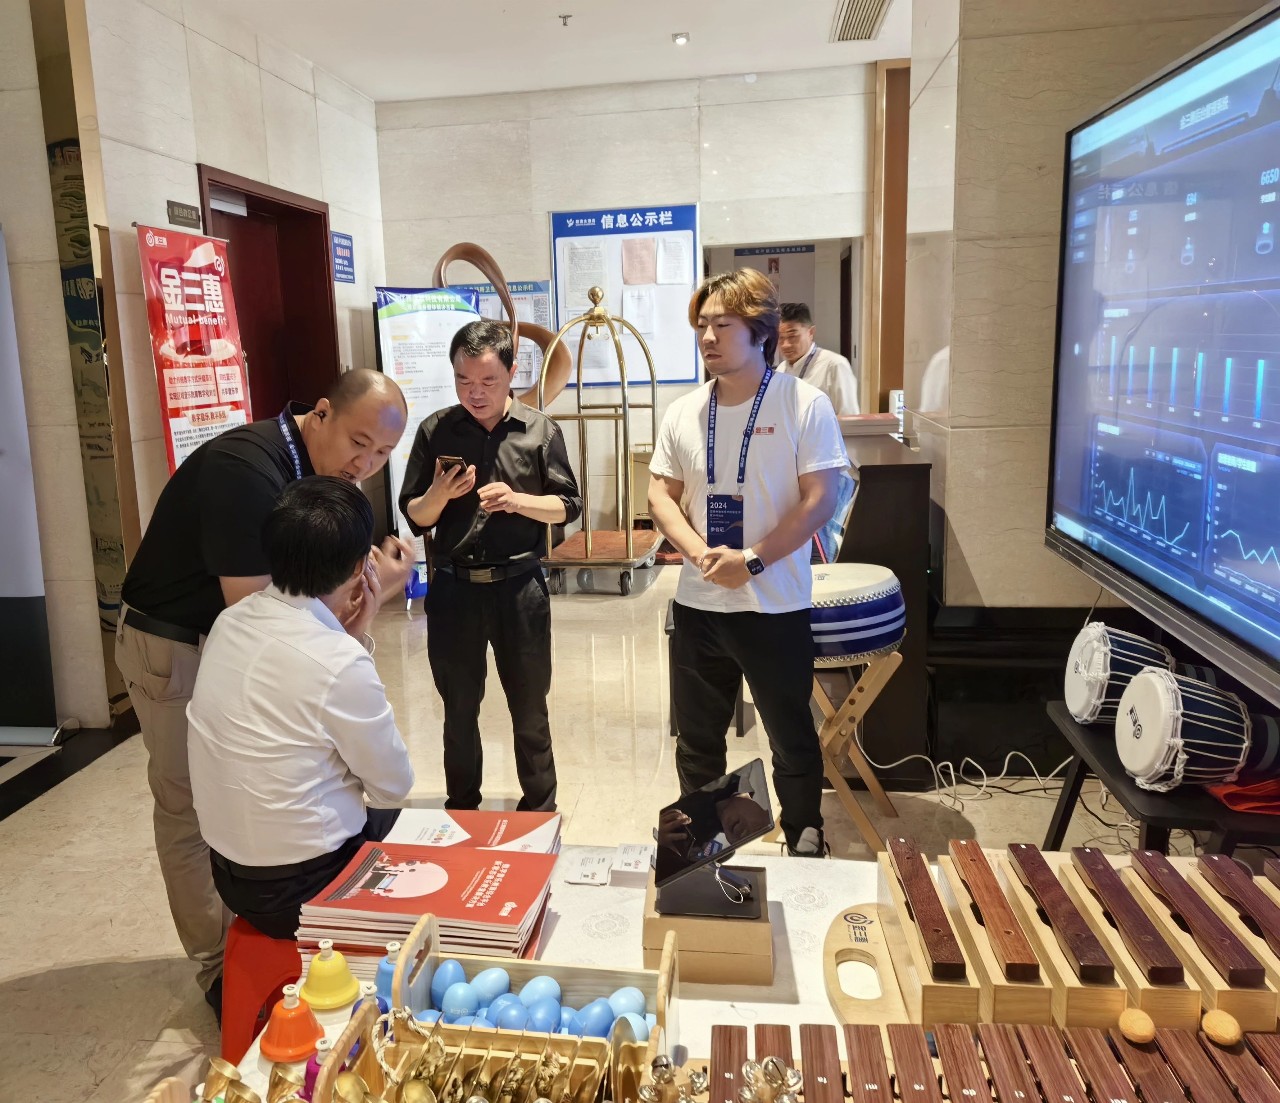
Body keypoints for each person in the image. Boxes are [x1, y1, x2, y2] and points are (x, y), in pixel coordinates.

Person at [115, 368, 413, 1015]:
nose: (364, 464)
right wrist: (362, 621)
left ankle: (243, 922)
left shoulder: (305, 476)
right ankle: (216, 969)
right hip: (171, 642)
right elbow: (269, 626)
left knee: (255, 780)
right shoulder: (247, 472)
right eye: (358, 442)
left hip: (218, 637)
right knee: (186, 808)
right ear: (322, 412)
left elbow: (284, 628)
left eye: (383, 454)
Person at [648, 270, 846, 856]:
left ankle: (804, 831)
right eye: (702, 326)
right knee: (697, 740)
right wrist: (700, 554)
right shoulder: (684, 411)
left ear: (760, 330)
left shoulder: (802, 404)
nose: (707, 337)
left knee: (789, 733)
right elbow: (660, 494)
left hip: (773, 604)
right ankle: (704, 843)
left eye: (723, 325)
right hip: (698, 603)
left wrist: (752, 561)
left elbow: (821, 499)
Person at [187, 477, 415, 939]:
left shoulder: (230, 622)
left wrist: (349, 635)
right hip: (305, 886)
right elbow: (393, 785)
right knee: (421, 831)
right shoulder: (338, 661)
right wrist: (352, 644)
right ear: (360, 566)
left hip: (229, 876)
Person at [399, 319, 581, 813]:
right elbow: (415, 516)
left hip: (520, 588)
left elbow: (569, 506)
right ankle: (462, 810)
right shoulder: (436, 430)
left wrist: (519, 501)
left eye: (487, 381)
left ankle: (539, 810)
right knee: (458, 711)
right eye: (463, 380)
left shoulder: (539, 431)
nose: (474, 393)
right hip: (454, 590)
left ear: (511, 372)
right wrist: (440, 494)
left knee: (529, 708)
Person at [776, 302, 861, 415]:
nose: (785, 345)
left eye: (792, 336)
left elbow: (848, 417)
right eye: (780, 337)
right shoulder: (780, 369)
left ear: (811, 332)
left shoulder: (834, 365)